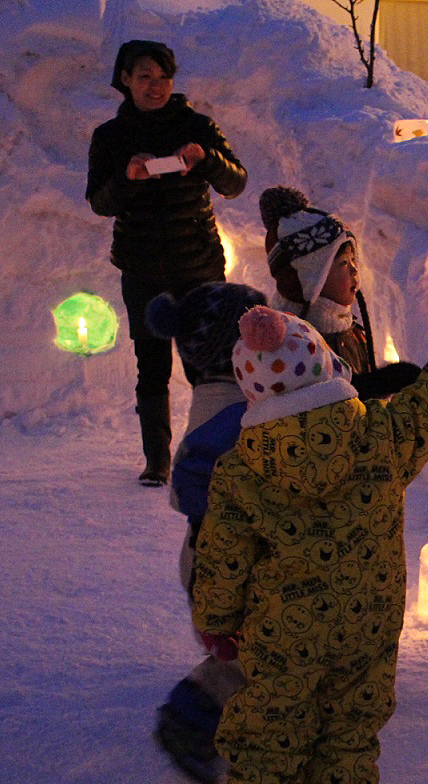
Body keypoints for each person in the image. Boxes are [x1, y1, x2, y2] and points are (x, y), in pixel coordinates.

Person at [192, 307, 428, 784]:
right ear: (327, 364)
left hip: (279, 636)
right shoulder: (380, 437)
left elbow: (223, 557)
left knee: (271, 725)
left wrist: (216, 622)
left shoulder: (242, 471)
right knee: (352, 720)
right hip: (367, 624)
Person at [86, 39, 248, 486]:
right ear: (124, 79)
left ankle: (212, 453)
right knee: (151, 364)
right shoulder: (110, 137)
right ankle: (157, 460)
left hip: (198, 267)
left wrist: (205, 158)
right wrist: (127, 177)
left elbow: (236, 182)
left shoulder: (197, 126)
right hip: (141, 270)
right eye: (144, 77)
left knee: (208, 367)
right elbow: (99, 202)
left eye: (163, 78)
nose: (155, 87)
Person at [144, 282, 266, 784]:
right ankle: (191, 719)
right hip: (228, 566)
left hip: (207, 559)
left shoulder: (217, 398)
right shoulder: (235, 414)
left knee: (251, 655)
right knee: (254, 656)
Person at [257, 185, 420, 400]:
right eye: (343, 263)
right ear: (310, 277)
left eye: (354, 260)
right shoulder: (292, 343)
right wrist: (374, 385)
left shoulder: (349, 330)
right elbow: (320, 407)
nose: (354, 270)